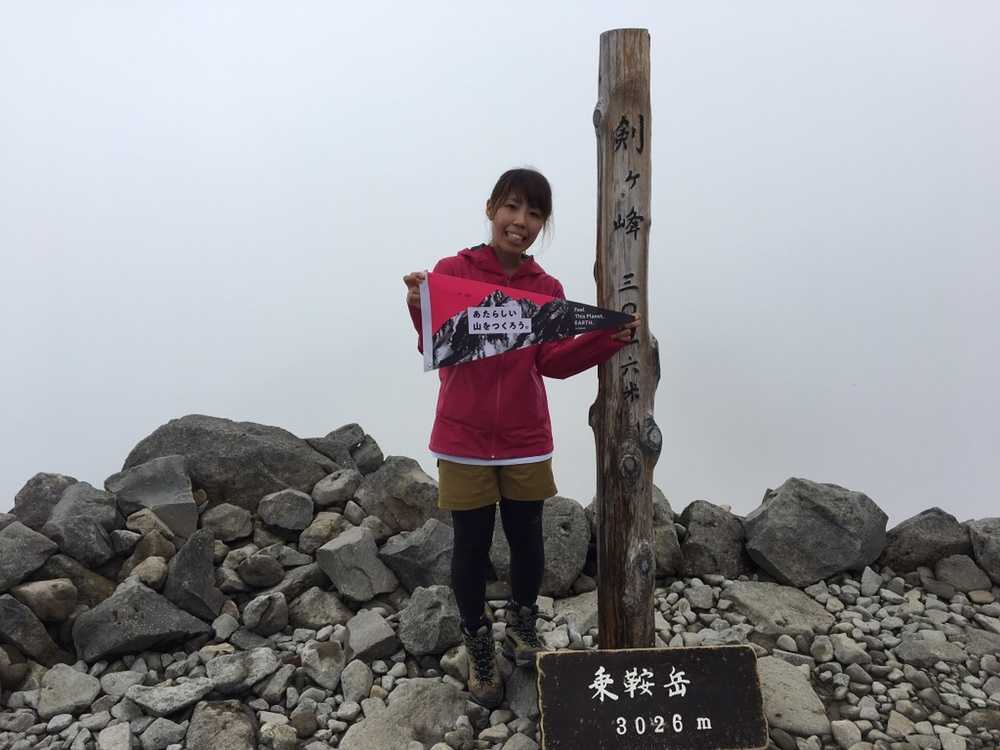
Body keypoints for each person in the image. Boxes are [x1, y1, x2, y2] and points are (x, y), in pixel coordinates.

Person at [402, 167, 640, 708]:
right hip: (461, 437)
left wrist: (606, 339)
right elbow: (435, 343)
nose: (521, 221)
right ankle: (478, 642)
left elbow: (552, 362)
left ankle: (522, 624)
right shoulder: (453, 272)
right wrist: (418, 306)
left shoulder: (546, 289)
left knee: (528, 538)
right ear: (491, 209)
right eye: (512, 207)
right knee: (470, 545)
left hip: (525, 437)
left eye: (535, 213)